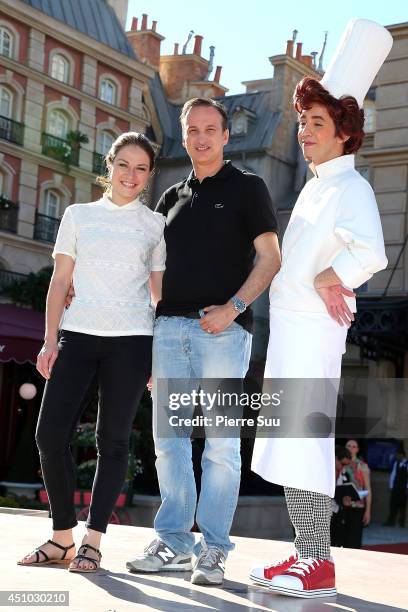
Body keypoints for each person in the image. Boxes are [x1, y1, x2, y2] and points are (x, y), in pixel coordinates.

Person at [250, 19, 391, 598]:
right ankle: (306, 554)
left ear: (344, 131)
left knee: (305, 444)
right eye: (304, 123)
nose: (305, 133)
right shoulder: (316, 186)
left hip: (312, 334)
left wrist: (336, 275)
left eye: (316, 124)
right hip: (291, 332)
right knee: (290, 445)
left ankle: (320, 563)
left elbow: (373, 253)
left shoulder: (350, 188)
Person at [126, 97, 281, 585]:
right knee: (169, 443)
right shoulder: (169, 197)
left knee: (220, 447)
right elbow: (152, 272)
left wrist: (233, 308)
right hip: (169, 331)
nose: (201, 137)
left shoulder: (248, 187)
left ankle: (213, 550)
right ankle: (173, 542)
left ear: (225, 135)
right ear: (185, 134)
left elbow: (270, 257)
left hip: (223, 333)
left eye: (211, 129)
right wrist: (153, 332)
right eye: (192, 130)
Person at [17, 132, 166, 573]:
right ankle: (62, 535)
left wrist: (158, 358)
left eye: (141, 168)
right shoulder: (78, 215)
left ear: (149, 176)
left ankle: (93, 541)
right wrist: (49, 339)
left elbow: (158, 297)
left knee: (113, 441)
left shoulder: (154, 226)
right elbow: (60, 281)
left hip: (132, 342)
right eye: (124, 164)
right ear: (110, 166)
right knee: (49, 435)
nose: (131, 175)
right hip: (77, 336)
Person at [342, 439, 372, 547]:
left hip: (357, 507)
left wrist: (368, 511)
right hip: (341, 506)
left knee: (354, 540)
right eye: (348, 445)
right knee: (342, 538)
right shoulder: (340, 463)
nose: (350, 448)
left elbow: (368, 489)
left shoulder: (362, 466)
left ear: (358, 450)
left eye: (353, 446)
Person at [384, 445, 408, 527]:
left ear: (402, 455)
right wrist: (391, 485)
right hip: (395, 487)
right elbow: (393, 475)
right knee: (393, 504)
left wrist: (407, 487)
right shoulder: (396, 463)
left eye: (398, 455)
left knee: (402, 506)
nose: (396, 456)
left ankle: (401, 522)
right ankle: (391, 521)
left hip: (403, 488)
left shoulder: (407, 464)